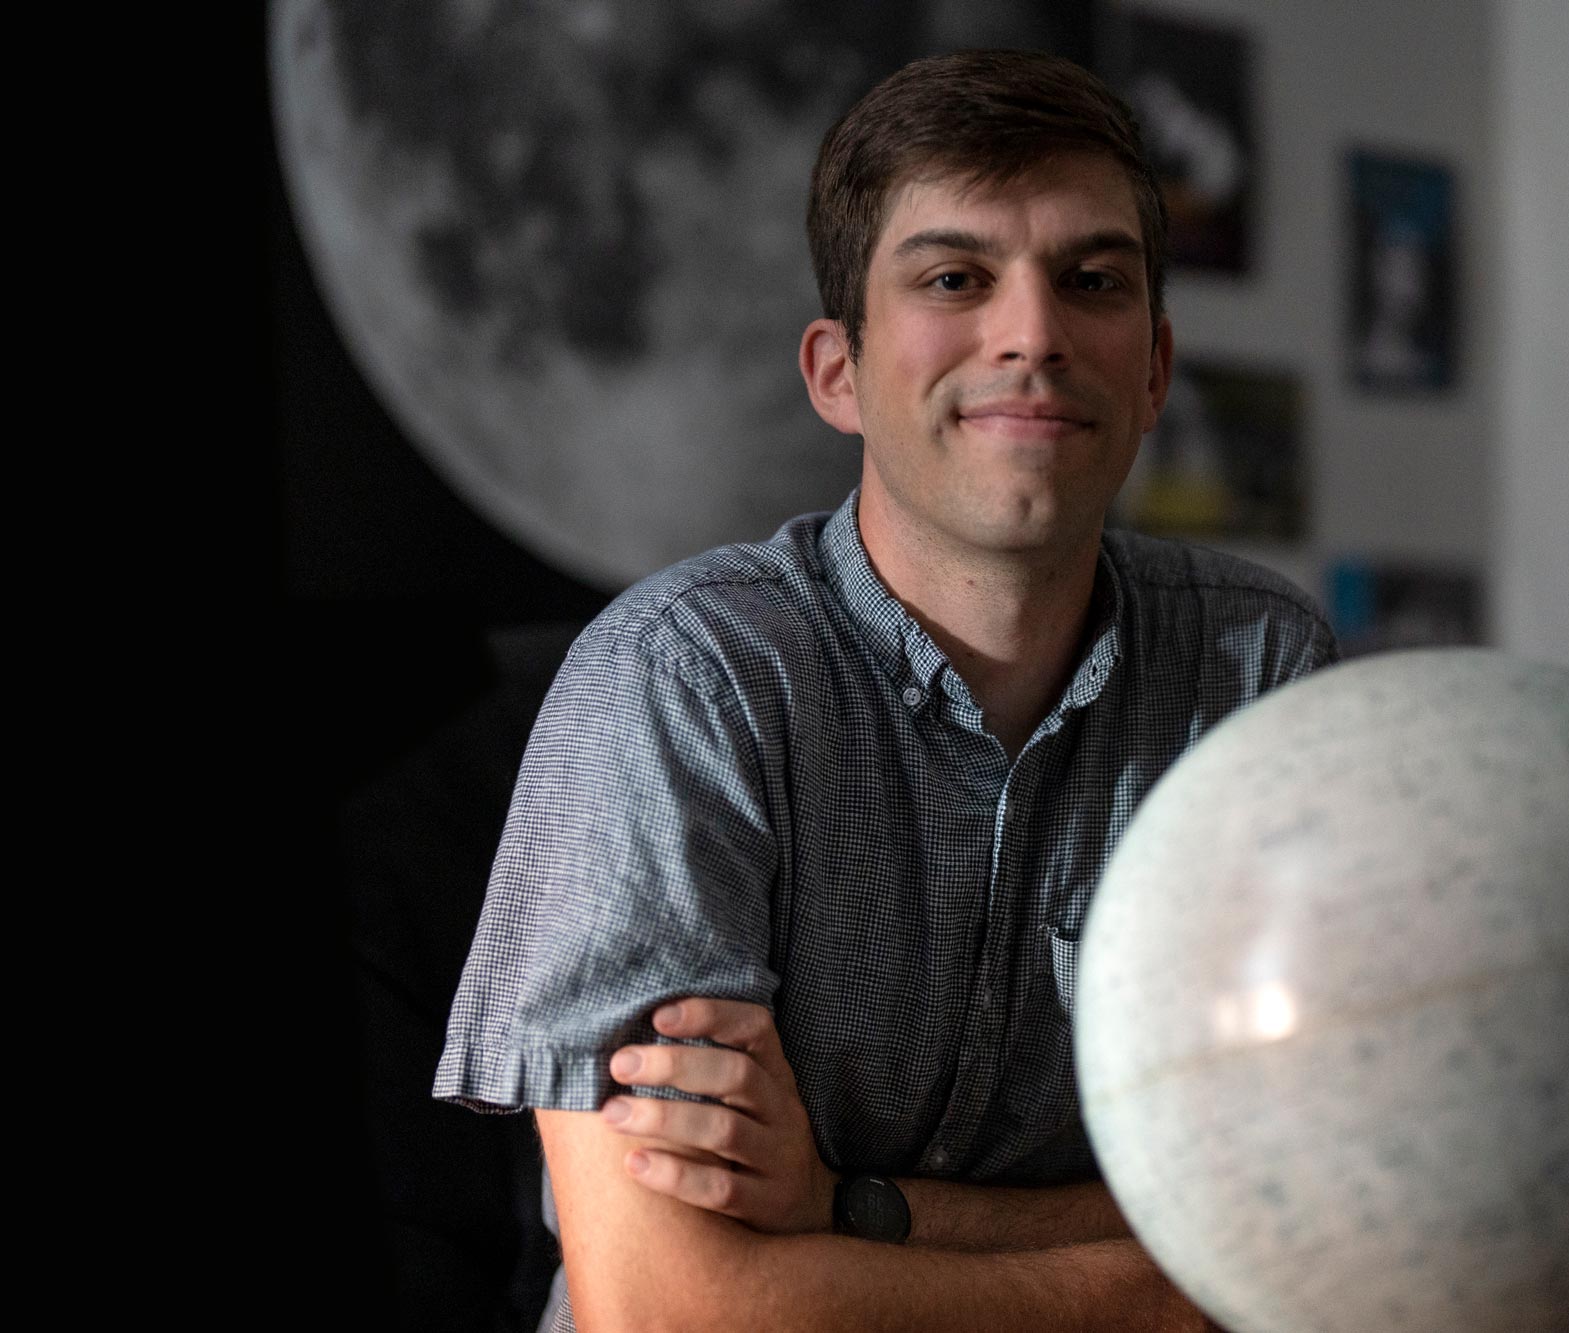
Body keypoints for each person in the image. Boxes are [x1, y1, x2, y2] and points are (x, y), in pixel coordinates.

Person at [435, 49, 1334, 1331]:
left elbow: (1316, 1202)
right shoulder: (678, 683)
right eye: (954, 279)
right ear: (835, 374)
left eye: (1089, 281)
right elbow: (666, 1304)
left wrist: (851, 1207)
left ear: (1152, 370)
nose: (1031, 334)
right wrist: (1162, 1278)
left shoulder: (1260, 673)